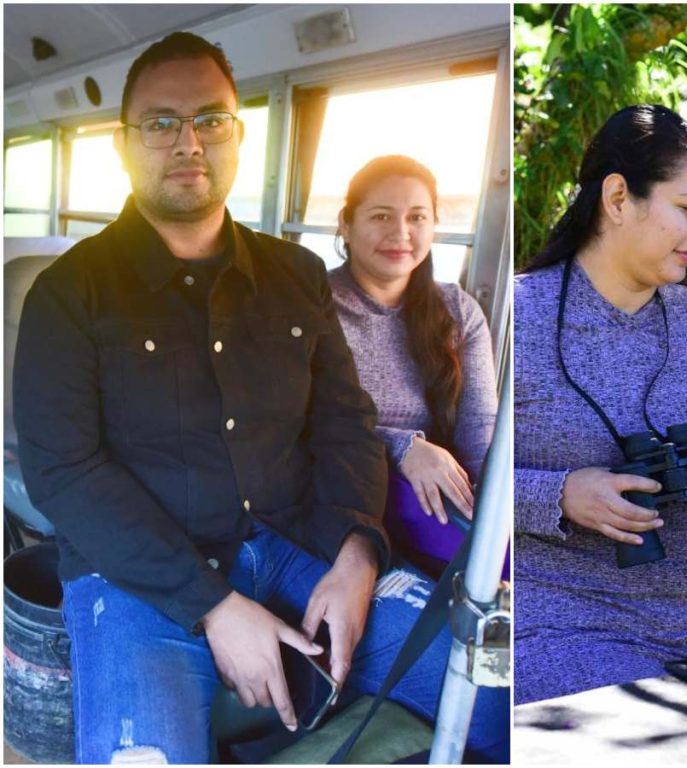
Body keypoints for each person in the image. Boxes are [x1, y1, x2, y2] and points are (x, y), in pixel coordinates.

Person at [13, 32, 507, 764]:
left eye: (211, 119)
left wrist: (357, 557)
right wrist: (214, 606)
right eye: (161, 122)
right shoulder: (68, 293)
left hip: (298, 543)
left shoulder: (294, 274)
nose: (189, 142)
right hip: (135, 576)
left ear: (238, 135)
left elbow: (347, 424)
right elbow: (64, 472)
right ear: (126, 143)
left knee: (498, 688)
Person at [514, 104, 687, 705]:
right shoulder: (518, 317)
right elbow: (470, 476)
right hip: (559, 625)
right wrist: (560, 495)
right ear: (618, 198)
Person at [327, 155, 502, 577]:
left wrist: (493, 506)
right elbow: (299, 419)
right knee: (478, 567)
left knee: (502, 554)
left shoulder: (458, 310)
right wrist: (403, 446)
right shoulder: (314, 305)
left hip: (436, 485)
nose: (401, 234)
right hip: (345, 485)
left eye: (417, 217)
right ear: (347, 225)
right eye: (381, 216)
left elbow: (481, 426)